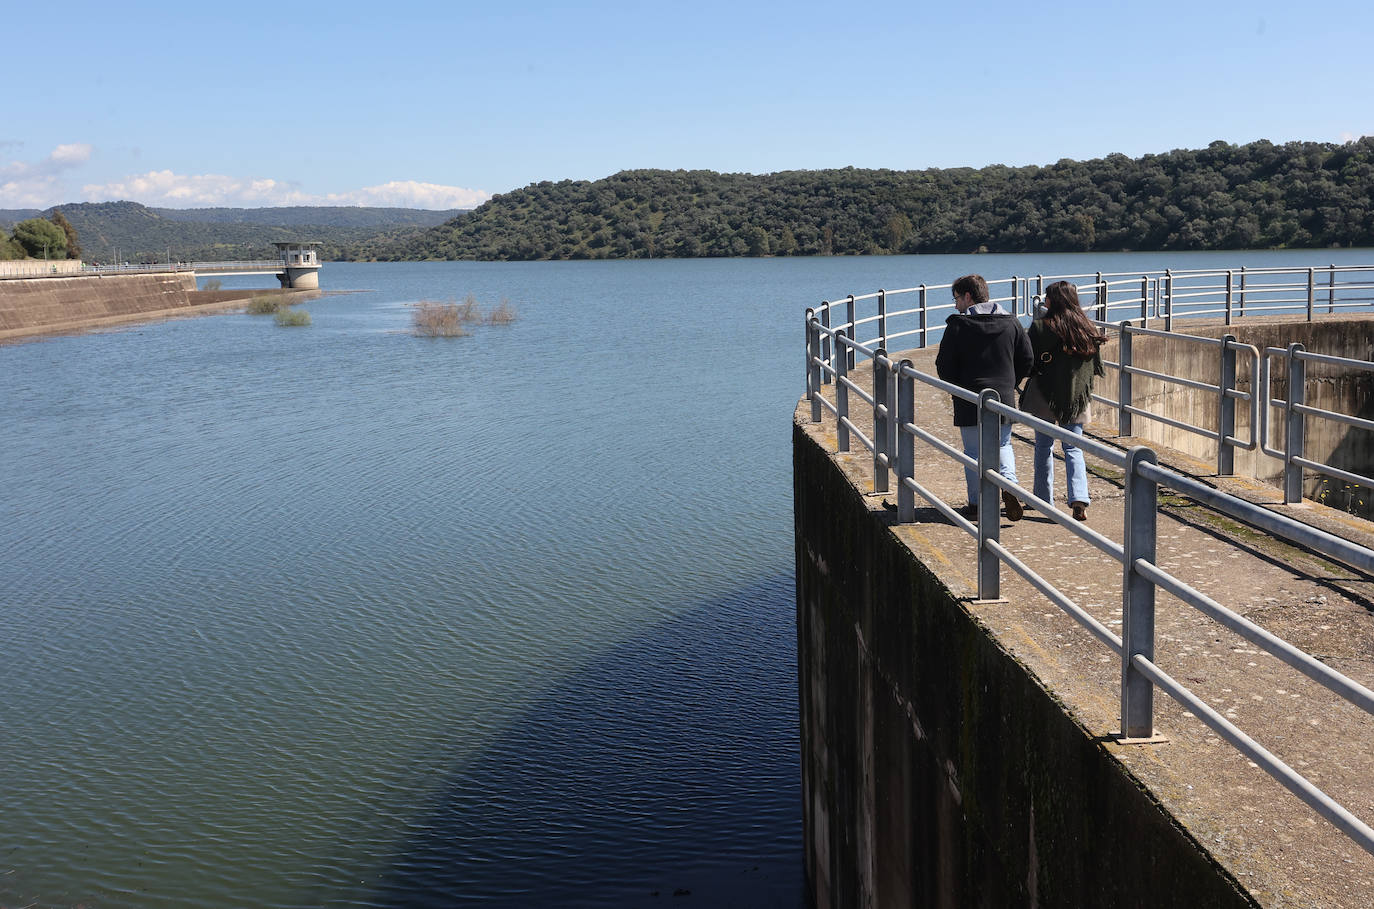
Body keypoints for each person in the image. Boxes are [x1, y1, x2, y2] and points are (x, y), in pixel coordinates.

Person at [935, 274, 1033, 520]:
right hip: (1002, 396)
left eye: (957, 298)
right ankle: (1009, 486)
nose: (956, 305)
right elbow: (1027, 359)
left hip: (968, 396)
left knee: (973, 452)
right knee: (1003, 445)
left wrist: (956, 387)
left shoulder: (958, 325)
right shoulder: (1012, 323)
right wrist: (1011, 383)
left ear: (968, 296)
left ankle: (977, 505)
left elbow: (943, 364)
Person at [1019, 281, 1107, 522]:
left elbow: (1028, 360)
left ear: (1053, 301)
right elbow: (1094, 366)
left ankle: (1041, 499)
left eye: (1047, 298)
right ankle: (1079, 498)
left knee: (1043, 446)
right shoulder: (1088, 327)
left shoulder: (1039, 327)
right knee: (1073, 447)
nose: (1044, 302)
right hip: (1077, 397)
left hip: (1044, 394)